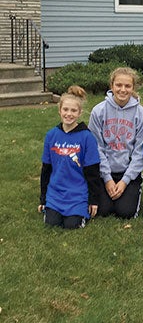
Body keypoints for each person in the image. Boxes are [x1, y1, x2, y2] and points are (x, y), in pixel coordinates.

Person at [88, 67, 143, 219]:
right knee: (102, 210)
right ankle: (107, 188)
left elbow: (140, 152)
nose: (123, 90)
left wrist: (125, 181)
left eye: (127, 86)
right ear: (111, 86)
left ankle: (129, 190)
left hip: (127, 172)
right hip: (104, 170)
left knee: (125, 212)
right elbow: (96, 148)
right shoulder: (98, 111)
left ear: (133, 88)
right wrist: (107, 179)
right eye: (118, 85)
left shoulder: (141, 114)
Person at [39, 85, 102, 229]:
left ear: (80, 113)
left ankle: (78, 213)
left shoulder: (87, 137)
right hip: (56, 191)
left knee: (72, 225)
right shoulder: (51, 135)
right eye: (65, 109)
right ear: (59, 110)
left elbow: (92, 172)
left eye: (74, 110)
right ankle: (51, 207)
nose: (69, 114)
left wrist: (93, 201)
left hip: (77, 193)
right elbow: (46, 169)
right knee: (52, 223)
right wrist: (43, 198)